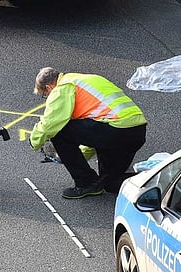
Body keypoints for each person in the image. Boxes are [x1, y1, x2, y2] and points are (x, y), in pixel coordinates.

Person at [29, 67, 147, 199]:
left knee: (60, 131)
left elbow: (50, 123)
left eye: (45, 94)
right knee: (110, 183)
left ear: (49, 86)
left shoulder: (63, 87)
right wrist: (80, 155)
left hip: (115, 131)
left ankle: (86, 183)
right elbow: (93, 133)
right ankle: (155, 179)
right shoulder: (88, 79)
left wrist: (34, 141)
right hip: (136, 132)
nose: (47, 98)